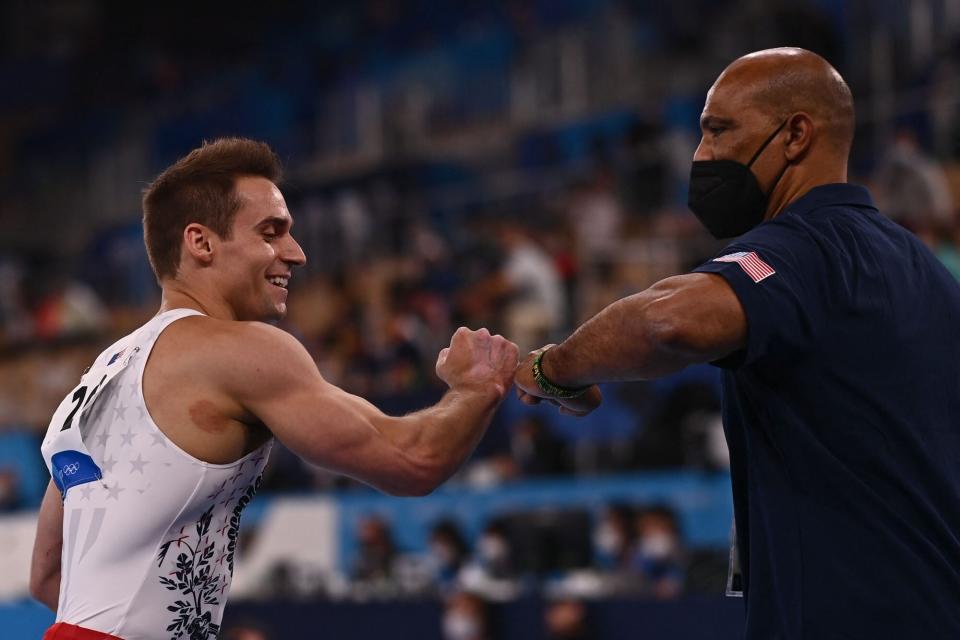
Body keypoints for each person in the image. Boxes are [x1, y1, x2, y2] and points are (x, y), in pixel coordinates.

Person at [515, 47, 960, 639]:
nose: (701, 157)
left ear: (795, 135)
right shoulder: (924, 268)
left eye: (718, 131)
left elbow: (666, 321)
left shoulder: (803, 246)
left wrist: (552, 368)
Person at [30, 138, 519, 640]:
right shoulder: (245, 351)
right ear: (201, 243)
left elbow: (48, 578)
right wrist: (475, 389)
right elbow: (414, 461)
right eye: (271, 232)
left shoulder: (98, 377)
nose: (297, 253)